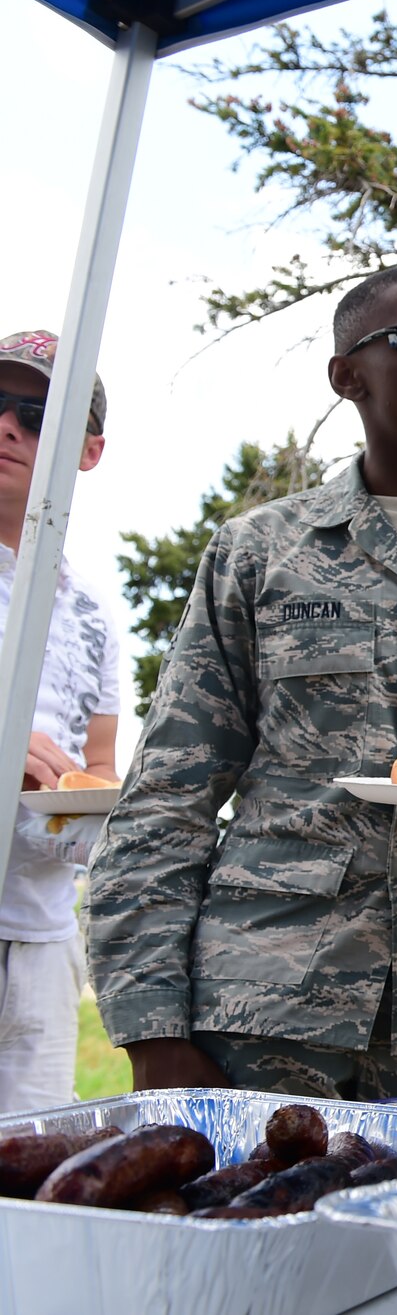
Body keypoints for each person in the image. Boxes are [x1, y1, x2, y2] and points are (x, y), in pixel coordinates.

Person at [88, 266, 397, 1112]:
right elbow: (166, 799)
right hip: (265, 1023)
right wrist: (153, 1032)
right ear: (348, 375)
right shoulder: (261, 553)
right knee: (250, 1245)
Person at [0, 329, 118, 1114]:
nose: (6, 426)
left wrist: (90, 801)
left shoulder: (92, 612)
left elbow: (100, 765)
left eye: (35, 414)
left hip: (43, 935)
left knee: (26, 1171)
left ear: (88, 451)